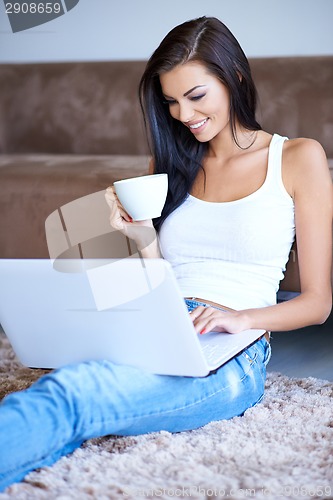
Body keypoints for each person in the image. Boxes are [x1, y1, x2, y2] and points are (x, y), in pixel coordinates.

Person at [0, 16, 332, 491]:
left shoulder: (299, 157)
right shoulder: (171, 162)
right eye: (171, 101)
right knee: (72, 388)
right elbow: (159, 279)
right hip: (157, 325)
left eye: (195, 97)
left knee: (74, 394)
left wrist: (241, 318)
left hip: (232, 354)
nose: (182, 115)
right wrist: (139, 237)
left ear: (234, 78)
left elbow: (318, 303)